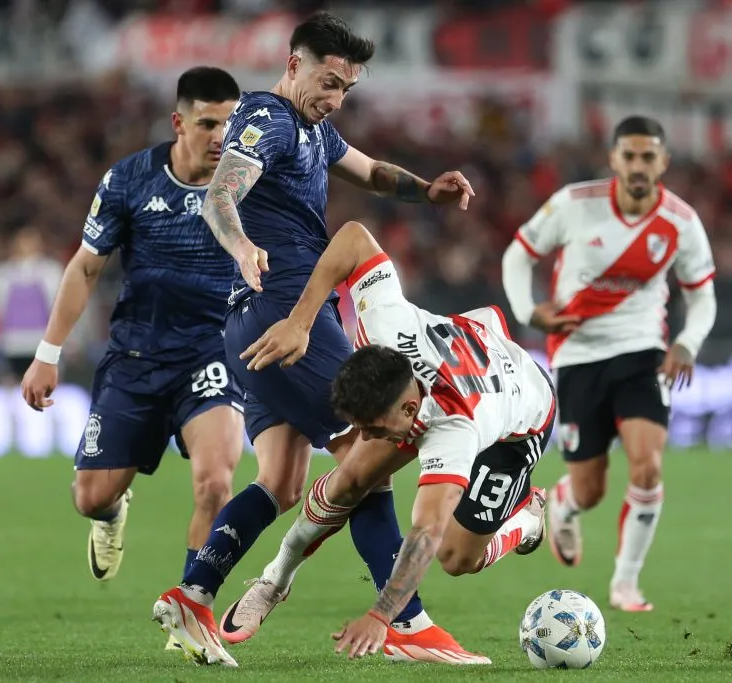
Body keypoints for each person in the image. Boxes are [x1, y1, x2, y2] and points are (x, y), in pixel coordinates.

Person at [152, 12, 480, 668]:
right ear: (295, 62)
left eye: (347, 89)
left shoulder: (312, 128)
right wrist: (244, 246)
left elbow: (374, 172)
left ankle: (193, 594)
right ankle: (408, 623)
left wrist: (428, 191)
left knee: (279, 480)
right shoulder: (268, 119)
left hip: (256, 322)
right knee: (372, 450)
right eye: (328, 81)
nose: (335, 98)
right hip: (285, 308)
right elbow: (220, 196)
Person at [226, 220, 554, 662]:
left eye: (374, 429)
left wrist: (381, 615)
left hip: (520, 417)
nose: (365, 435)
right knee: (349, 479)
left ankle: (529, 517)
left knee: (458, 558)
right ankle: (274, 580)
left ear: (407, 412)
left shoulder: (452, 431)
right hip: (467, 349)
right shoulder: (384, 320)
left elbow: (426, 531)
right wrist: (300, 321)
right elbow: (354, 238)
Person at [20, 68, 245, 651]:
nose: (222, 135)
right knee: (89, 496)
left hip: (213, 352)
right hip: (137, 357)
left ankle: (194, 608)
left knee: (216, 481)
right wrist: (48, 354)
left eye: (231, 122)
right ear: (179, 122)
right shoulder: (129, 179)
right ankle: (112, 511)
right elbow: (86, 267)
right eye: (208, 123)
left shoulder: (249, 182)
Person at [500, 116, 717, 612]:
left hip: (643, 352)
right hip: (577, 355)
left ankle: (626, 582)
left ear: (663, 162)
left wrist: (687, 342)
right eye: (630, 155)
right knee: (590, 489)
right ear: (614, 159)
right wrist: (529, 311)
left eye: (649, 156)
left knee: (648, 466)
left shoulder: (681, 222)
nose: (639, 165)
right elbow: (518, 255)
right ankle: (563, 503)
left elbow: (702, 296)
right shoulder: (575, 204)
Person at [0, 225, 64, 383]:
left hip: (43, 343)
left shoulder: (51, 271)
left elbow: (60, 308)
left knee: (47, 388)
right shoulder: (2, 273)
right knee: (13, 388)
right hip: (11, 344)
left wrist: (68, 341)